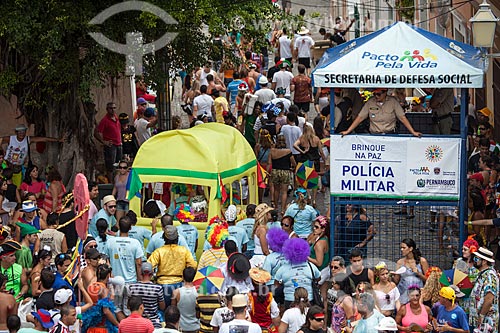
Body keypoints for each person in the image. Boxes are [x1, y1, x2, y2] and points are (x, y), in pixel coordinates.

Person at [148, 225, 197, 306]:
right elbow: (193, 265)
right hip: (179, 285)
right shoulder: (184, 250)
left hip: (162, 285)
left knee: (164, 311)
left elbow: (148, 266)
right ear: (177, 238)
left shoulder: (159, 251)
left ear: (164, 238)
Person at [340, 88, 422, 137]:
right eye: (374, 94)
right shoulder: (370, 102)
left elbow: (402, 118)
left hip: (390, 135)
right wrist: (348, 131)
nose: (376, 96)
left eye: (378, 94)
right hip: (374, 135)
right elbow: (360, 118)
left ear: (385, 92)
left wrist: (413, 132)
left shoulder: (393, 102)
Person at [276, 238, 321, 309]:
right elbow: (318, 278)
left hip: (290, 300)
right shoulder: (310, 266)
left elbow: (276, 284)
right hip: (308, 300)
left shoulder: (283, 268)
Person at [125, 262, 165, 329]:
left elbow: (128, 306)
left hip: (135, 323)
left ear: (141, 273)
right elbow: (162, 307)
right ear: (152, 274)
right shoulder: (158, 288)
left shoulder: (132, 287)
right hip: (153, 322)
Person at [105, 216, 143, 284]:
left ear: (119, 227)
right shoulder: (135, 243)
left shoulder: (110, 242)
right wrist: (140, 280)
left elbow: (105, 260)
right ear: (130, 228)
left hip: (114, 280)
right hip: (131, 281)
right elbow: (139, 263)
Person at [468, 247, 499, 332]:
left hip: (486, 322)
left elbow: (489, 299)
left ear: (484, 261)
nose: (474, 260)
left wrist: (481, 316)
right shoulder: (483, 274)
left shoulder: (489, 276)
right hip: (481, 322)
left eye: (477, 258)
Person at [393, 238, 429, 305]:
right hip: (403, 295)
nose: (401, 250)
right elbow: (396, 281)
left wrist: (419, 273)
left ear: (410, 249)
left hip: (417, 295)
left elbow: (429, 280)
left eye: (404, 248)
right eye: (401, 248)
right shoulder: (400, 262)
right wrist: (392, 276)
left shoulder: (422, 261)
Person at [96, 102, 122, 181]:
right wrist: (104, 142)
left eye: (114, 108)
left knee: (118, 164)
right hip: (111, 146)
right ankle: (111, 183)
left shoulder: (116, 118)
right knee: (110, 166)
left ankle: (117, 181)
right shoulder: (105, 120)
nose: (113, 110)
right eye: (111, 108)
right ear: (107, 110)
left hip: (118, 144)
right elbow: (96, 132)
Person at [307, 216, 330, 305]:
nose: (314, 228)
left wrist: (307, 257)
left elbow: (319, 262)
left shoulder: (319, 244)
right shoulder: (324, 238)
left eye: (317, 227)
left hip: (319, 271)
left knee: (315, 296)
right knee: (324, 297)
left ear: (323, 229)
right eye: (314, 226)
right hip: (325, 269)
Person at [269, 135, 294, 214]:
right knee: (284, 191)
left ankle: (276, 207)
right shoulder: (288, 151)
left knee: (276, 190)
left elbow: (269, 163)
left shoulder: (272, 151)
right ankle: (283, 209)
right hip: (285, 171)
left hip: (275, 171)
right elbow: (293, 163)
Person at [171, 267, 200, 333]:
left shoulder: (176, 292)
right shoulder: (199, 292)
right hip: (196, 327)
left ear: (183, 277)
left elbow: (173, 309)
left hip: (181, 327)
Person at [250, 203, 273, 267]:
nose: (270, 214)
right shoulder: (262, 229)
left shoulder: (261, 227)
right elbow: (265, 250)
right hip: (261, 258)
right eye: (268, 212)